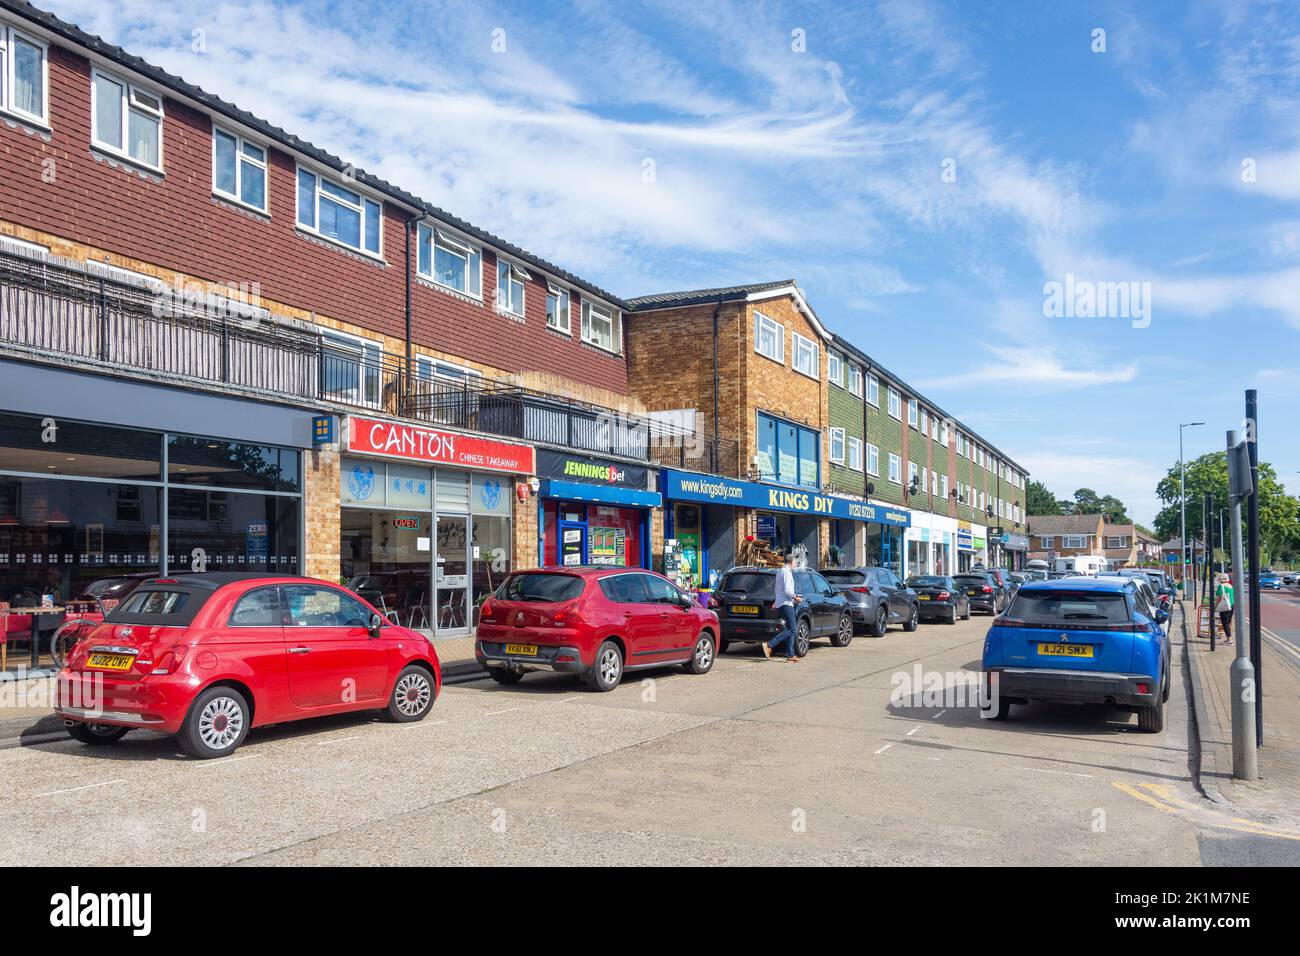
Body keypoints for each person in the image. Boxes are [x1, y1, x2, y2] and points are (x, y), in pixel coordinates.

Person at [762, 554, 803, 663]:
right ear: (791, 561)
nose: (796, 563)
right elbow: (787, 589)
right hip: (786, 603)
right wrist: (796, 597)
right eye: (795, 561)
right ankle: (769, 644)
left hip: (781, 602)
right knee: (793, 629)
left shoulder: (780, 571)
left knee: (790, 629)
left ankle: (790, 655)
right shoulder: (786, 572)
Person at [1214, 573, 1234, 644]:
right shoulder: (1230, 586)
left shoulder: (1221, 586)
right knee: (1228, 622)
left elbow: (1219, 598)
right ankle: (1228, 637)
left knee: (1224, 623)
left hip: (1225, 606)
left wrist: (1215, 607)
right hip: (1232, 605)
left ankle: (1229, 639)